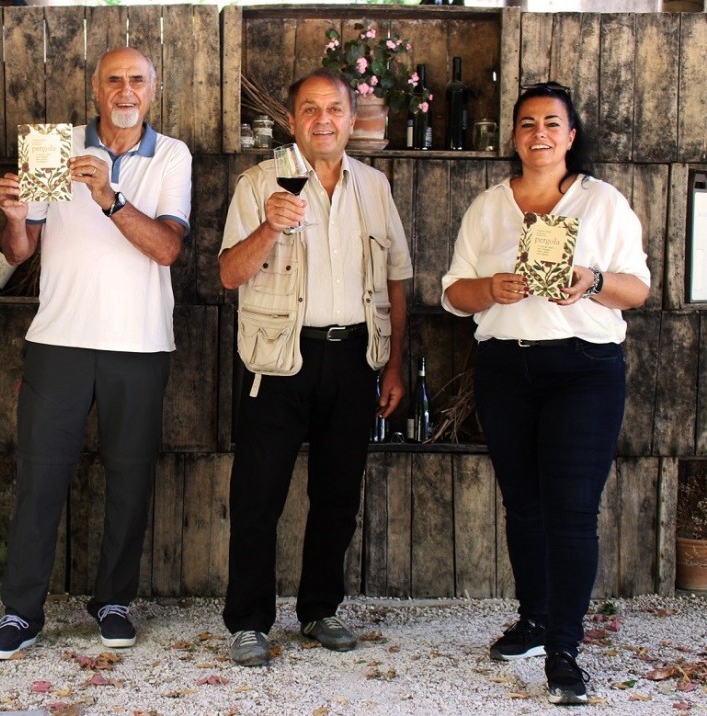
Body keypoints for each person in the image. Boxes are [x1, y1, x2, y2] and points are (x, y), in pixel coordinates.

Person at [441, 81, 650, 705]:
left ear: (570, 135)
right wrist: (491, 288)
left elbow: (638, 289)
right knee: (524, 506)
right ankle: (534, 620)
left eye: (552, 123)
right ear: (514, 136)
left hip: (584, 369)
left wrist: (591, 280)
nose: (540, 134)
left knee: (572, 510)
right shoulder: (489, 207)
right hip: (506, 367)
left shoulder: (602, 203)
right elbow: (454, 294)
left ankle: (564, 649)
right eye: (528, 123)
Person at [0, 47, 192, 658]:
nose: (126, 91)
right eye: (114, 80)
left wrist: (110, 197)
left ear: (153, 90)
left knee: (130, 478)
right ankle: (21, 612)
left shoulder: (171, 154)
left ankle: (114, 601)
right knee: (39, 479)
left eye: (137, 81)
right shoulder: (54, 145)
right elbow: (19, 251)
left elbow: (167, 249)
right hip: (59, 339)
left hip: (139, 343)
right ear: (96, 89)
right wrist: (14, 216)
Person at [218, 68, 412, 667]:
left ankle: (320, 609)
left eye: (334, 109)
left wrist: (394, 364)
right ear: (291, 120)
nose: (322, 119)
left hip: (354, 357)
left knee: (338, 495)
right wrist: (270, 225)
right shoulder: (259, 183)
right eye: (309, 109)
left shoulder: (374, 187)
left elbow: (397, 279)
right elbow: (229, 274)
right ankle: (248, 622)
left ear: (351, 120)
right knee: (258, 496)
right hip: (278, 358)